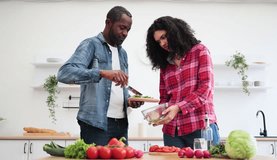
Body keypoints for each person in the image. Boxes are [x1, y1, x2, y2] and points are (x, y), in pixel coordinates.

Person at [57, 6, 143, 146]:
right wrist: (101, 72)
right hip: (95, 124)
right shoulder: (90, 44)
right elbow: (64, 73)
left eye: (128, 30)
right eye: (121, 27)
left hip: (121, 124)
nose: (125, 33)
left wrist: (129, 100)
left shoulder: (123, 54)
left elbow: (117, 88)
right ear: (109, 23)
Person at [145, 16, 220, 149]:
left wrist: (178, 107)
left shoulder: (200, 51)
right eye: (158, 41)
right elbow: (164, 98)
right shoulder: (165, 65)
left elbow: (205, 89)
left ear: (175, 32)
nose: (162, 43)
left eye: (164, 37)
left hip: (200, 127)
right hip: (172, 132)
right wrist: (159, 114)